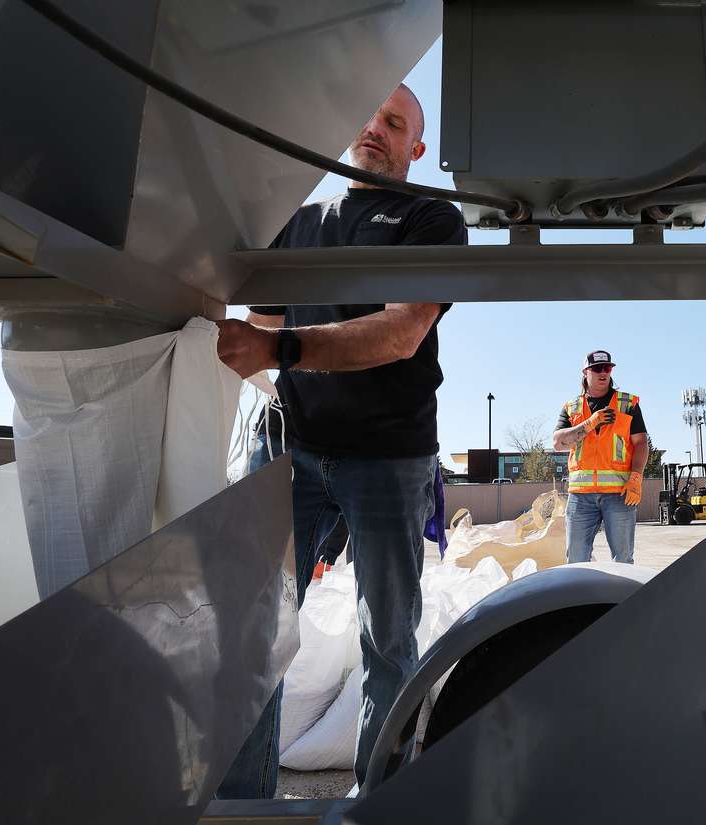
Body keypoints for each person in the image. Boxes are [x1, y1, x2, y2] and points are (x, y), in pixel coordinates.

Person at [214, 83, 465, 794]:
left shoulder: (431, 219)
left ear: (416, 148)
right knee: (253, 634)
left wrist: (282, 352)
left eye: (395, 123)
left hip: (388, 459)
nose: (375, 129)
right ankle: (242, 805)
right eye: (369, 115)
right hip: (294, 454)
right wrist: (264, 361)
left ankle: (379, 798)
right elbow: (258, 333)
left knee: (388, 639)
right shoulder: (295, 223)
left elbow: (401, 331)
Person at [551, 351, 649, 564]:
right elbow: (558, 443)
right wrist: (589, 423)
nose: (603, 372)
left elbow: (641, 442)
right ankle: (580, 598)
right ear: (586, 372)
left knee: (623, 560)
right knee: (576, 559)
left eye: (608, 368)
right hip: (581, 497)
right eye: (597, 369)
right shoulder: (572, 407)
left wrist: (636, 478)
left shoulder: (627, 404)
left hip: (620, 494)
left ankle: (622, 598)